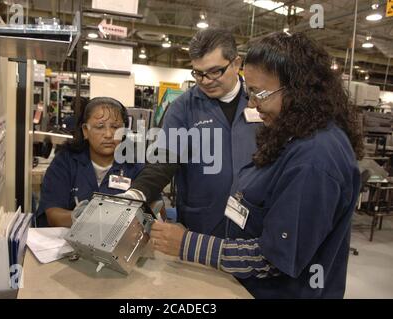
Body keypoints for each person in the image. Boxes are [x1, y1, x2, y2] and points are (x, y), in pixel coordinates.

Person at [149, 32, 364, 299]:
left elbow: (273, 258)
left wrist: (188, 244)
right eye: (250, 92)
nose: (252, 104)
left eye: (260, 93)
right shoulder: (292, 133)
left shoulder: (315, 159)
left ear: (300, 89)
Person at [125, 28, 260, 237]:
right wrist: (137, 192)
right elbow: (164, 159)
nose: (205, 80)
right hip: (202, 223)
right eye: (198, 73)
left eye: (215, 71)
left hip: (254, 220)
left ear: (236, 63)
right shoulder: (183, 107)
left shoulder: (261, 101)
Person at [35, 97, 143, 227]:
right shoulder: (65, 162)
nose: (108, 134)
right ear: (85, 130)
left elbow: (155, 210)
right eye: (100, 126)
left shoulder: (135, 167)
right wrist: (83, 218)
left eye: (115, 127)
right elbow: (53, 214)